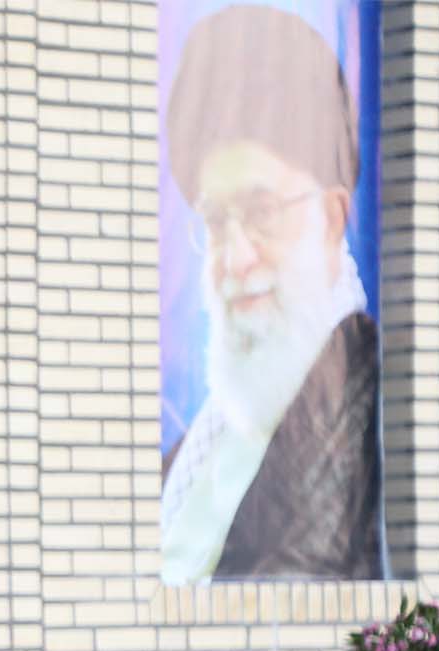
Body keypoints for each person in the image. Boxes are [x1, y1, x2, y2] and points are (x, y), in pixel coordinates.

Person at [159, 3, 382, 583]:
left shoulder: (376, 412)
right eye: (216, 222)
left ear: (332, 219)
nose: (235, 259)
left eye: (261, 212)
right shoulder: (198, 444)